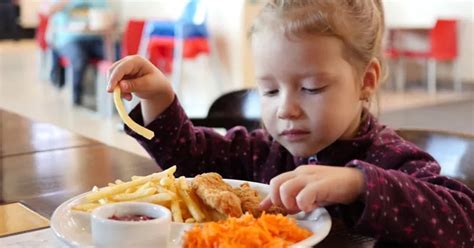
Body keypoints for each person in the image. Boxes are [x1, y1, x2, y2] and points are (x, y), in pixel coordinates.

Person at [106, 0, 473, 247]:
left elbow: (463, 218)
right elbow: (191, 157)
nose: (286, 109)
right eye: (268, 90)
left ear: (366, 80)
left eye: (311, 88)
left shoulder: (389, 157)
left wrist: (357, 183)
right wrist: (158, 99)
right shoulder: (266, 152)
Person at [46, 0, 110, 105]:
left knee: (115, 56)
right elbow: (48, 10)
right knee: (79, 58)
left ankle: (113, 97)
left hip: (94, 38)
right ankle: (76, 97)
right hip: (69, 40)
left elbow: (107, 15)